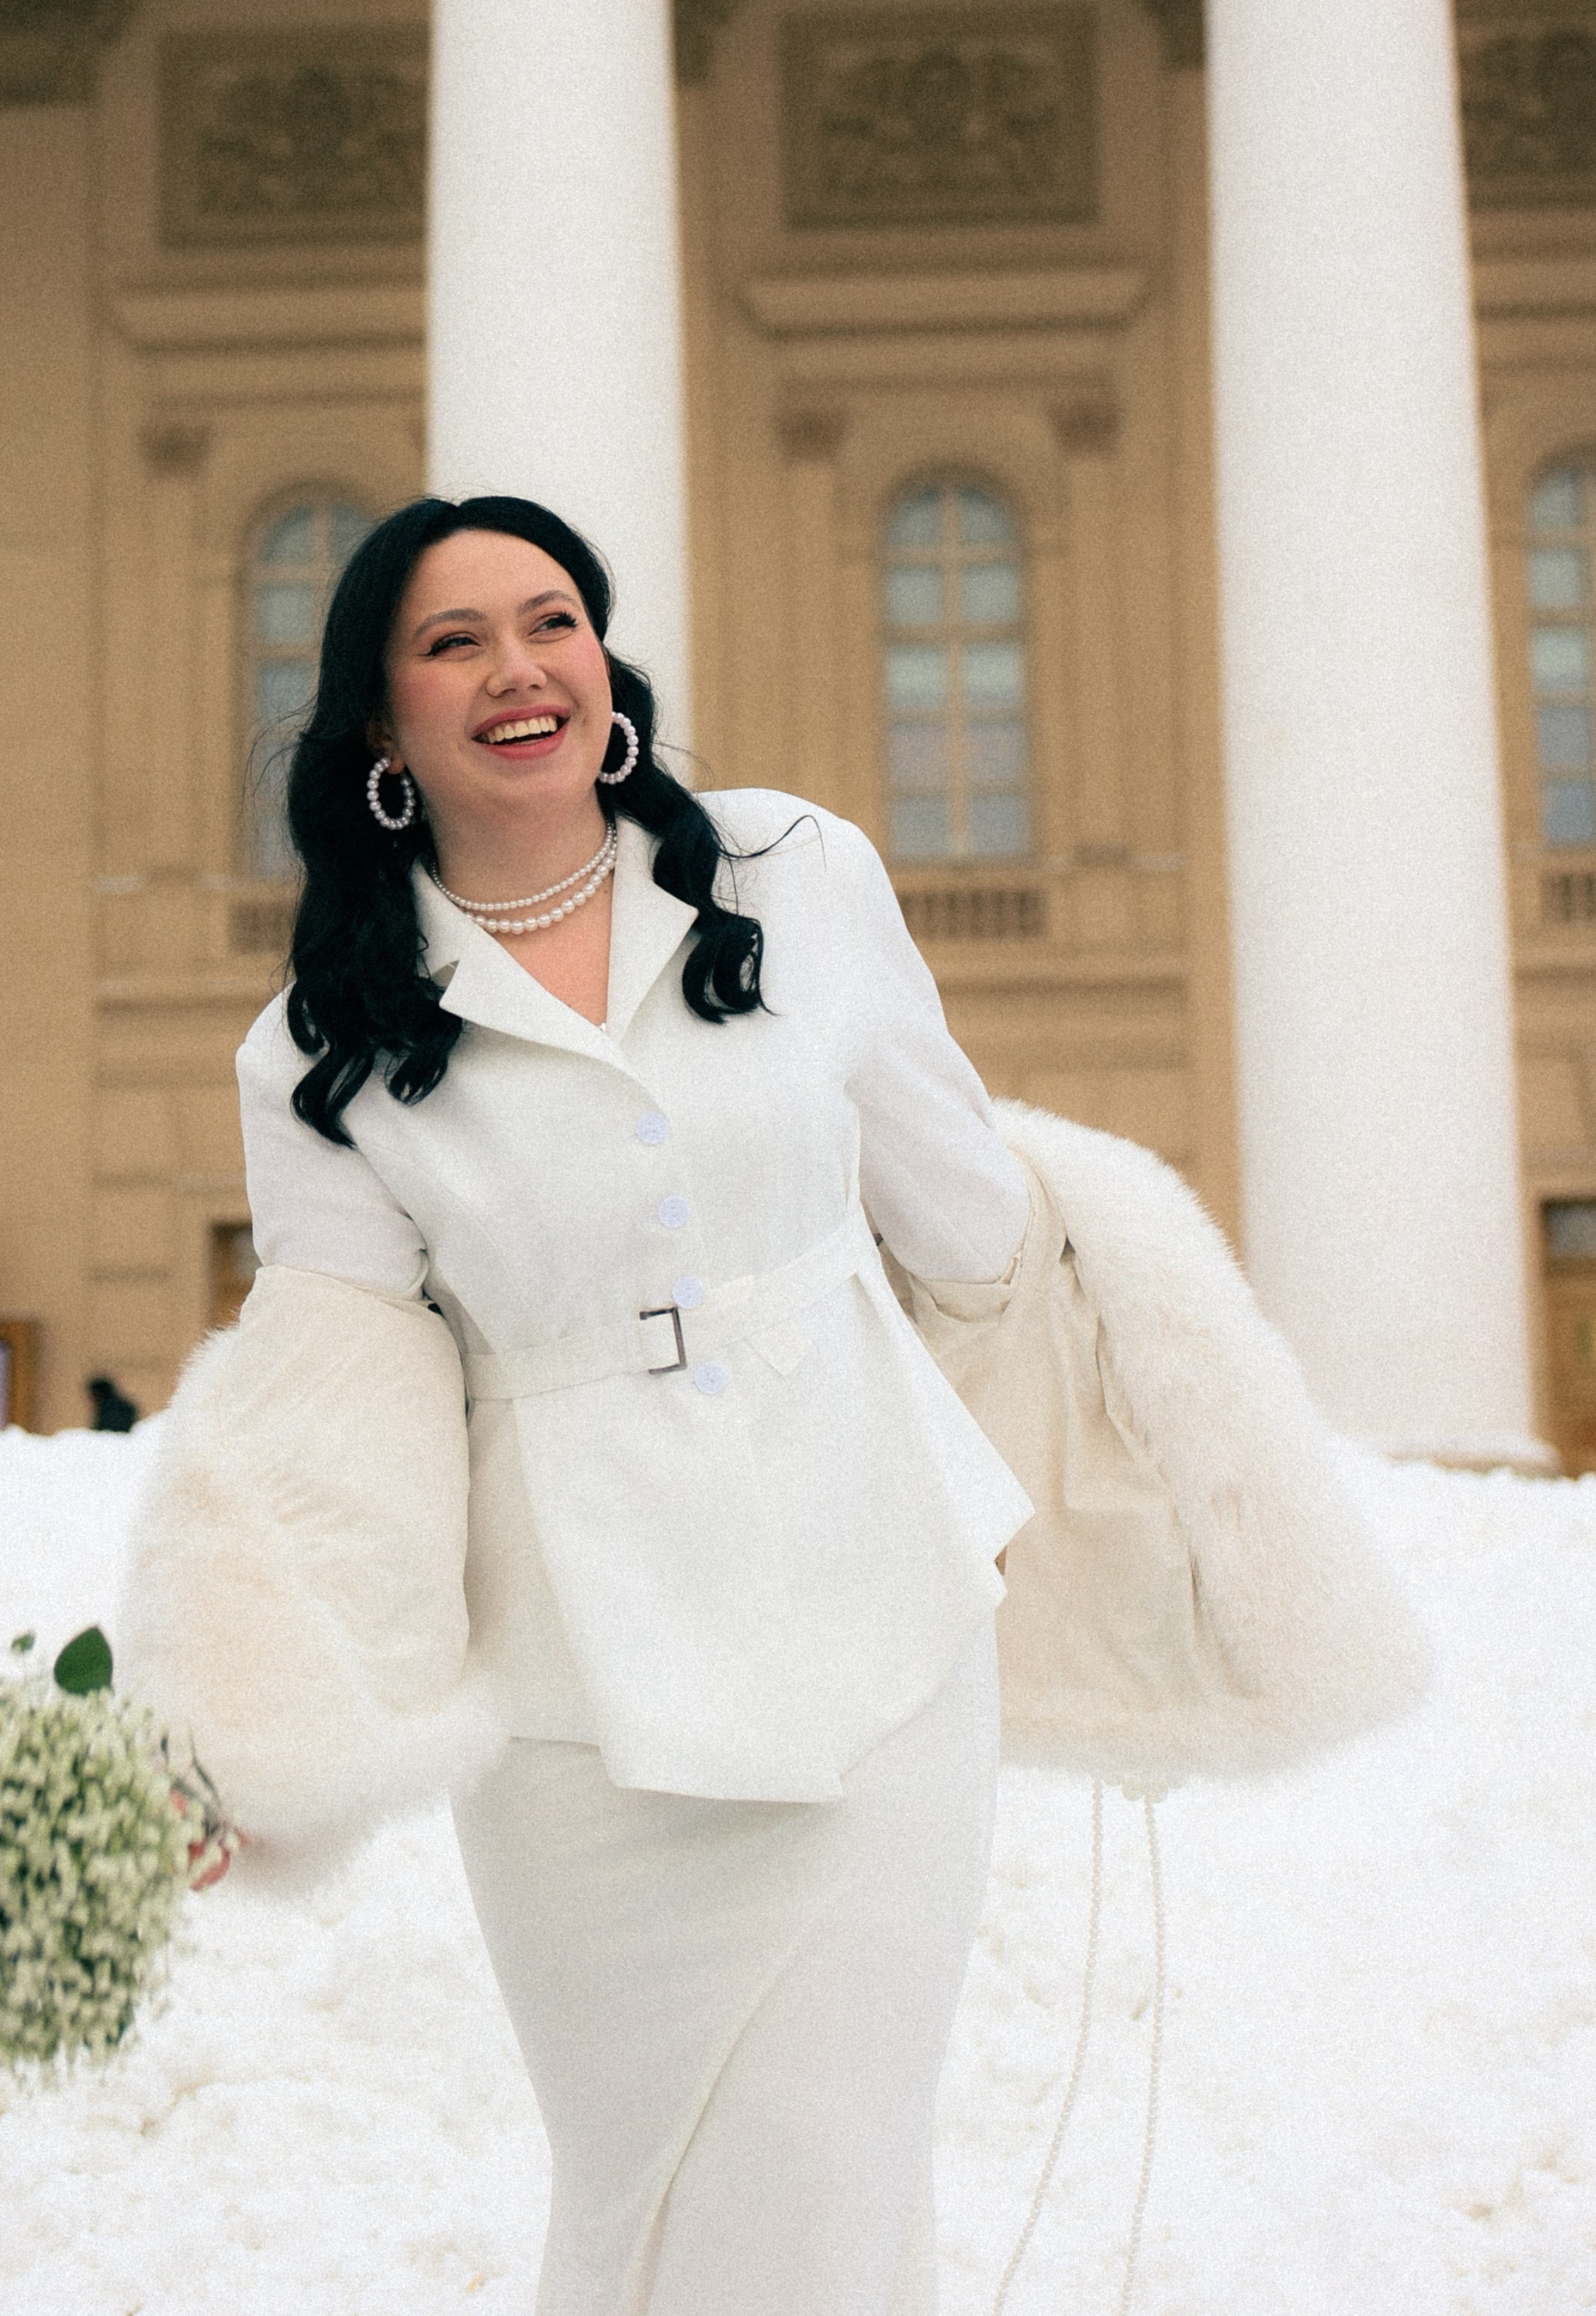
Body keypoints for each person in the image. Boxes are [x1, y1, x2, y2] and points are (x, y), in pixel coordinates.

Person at [120, 488, 1428, 2316]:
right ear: (379, 732)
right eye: (454, 641)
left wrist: (1108, 1342)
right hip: (583, 1712)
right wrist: (239, 1730)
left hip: (878, 1623)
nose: (520, 667)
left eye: (552, 620)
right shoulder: (318, 1051)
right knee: (637, 2196)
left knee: (825, 2175)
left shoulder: (788, 874)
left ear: (603, 661)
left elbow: (957, 1208)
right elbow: (341, 1401)